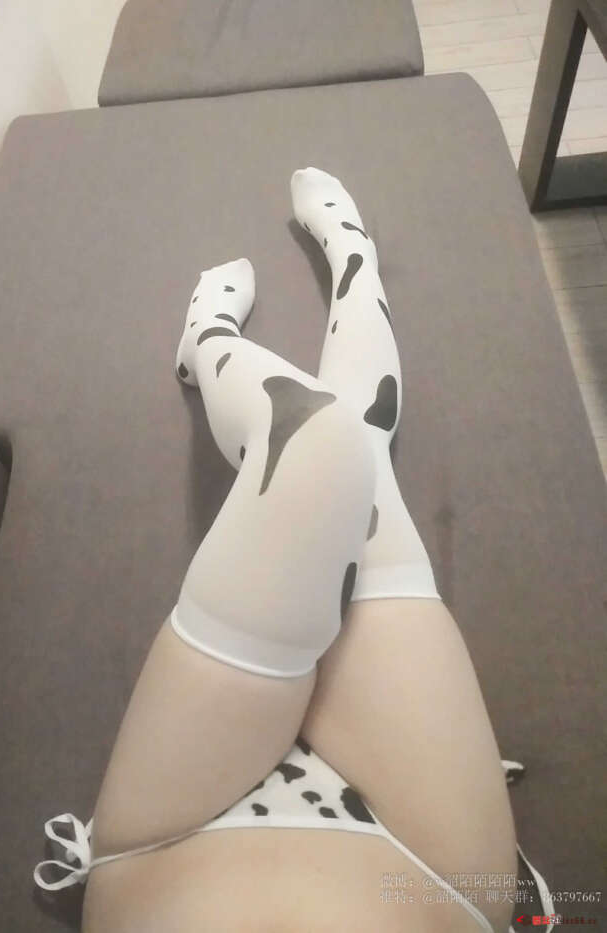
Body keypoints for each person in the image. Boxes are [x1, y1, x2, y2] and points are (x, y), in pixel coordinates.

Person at [34, 168, 554, 933]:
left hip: (164, 854)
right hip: (438, 872)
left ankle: (216, 334)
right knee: (349, 446)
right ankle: (340, 265)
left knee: (318, 443)